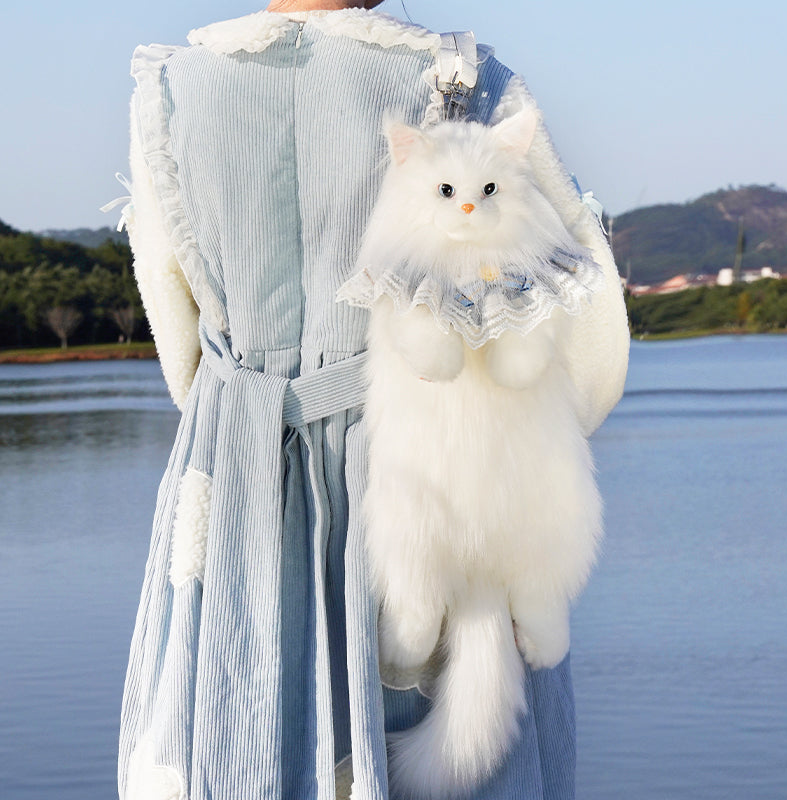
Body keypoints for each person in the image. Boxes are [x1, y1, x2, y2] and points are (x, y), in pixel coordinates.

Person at [119, 1, 630, 799]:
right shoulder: (464, 81)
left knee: (233, 725)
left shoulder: (172, 90)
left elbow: (174, 321)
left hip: (238, 467)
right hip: (428, 456)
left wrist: (232, 420)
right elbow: (584, 317)